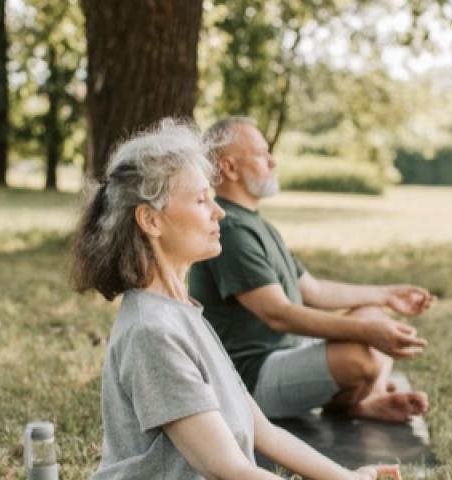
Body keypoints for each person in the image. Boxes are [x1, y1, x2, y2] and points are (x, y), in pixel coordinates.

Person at [71, 119, 382, 479]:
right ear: (151, 221)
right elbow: (228, 469)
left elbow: (265, 433)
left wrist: (350, 478)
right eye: (201, 200)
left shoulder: (183, 313)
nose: (218, 211)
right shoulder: (152, 332)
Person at [189, 116, 433, 422]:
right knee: (363, 355)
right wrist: (369, 333)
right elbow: (278, 314)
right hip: (250, 379)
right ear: (229, 168)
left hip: (287, 354)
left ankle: (367, 400)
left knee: (375, 314)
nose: (273, 161)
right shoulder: (231, 230)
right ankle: (361, 399)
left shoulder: (256, 224)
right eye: (262, 154)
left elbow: (314, 290)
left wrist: (386, 295)